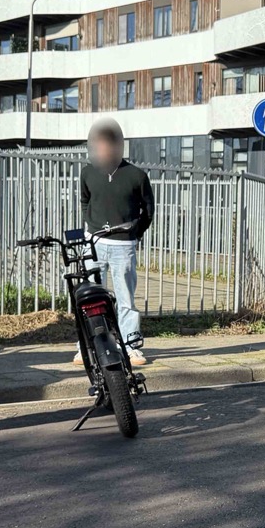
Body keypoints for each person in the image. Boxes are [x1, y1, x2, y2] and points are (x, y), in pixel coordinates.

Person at [77, 120, 154, 367]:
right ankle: (87, 347)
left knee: (125, 299)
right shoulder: (88, 172)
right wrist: (91, 228)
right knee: (89, 297)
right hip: (94, 241)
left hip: (124, 245)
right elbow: (85, 201)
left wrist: (134, 233)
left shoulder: (136, 176)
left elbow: (148, 211)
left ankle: (130, 346)